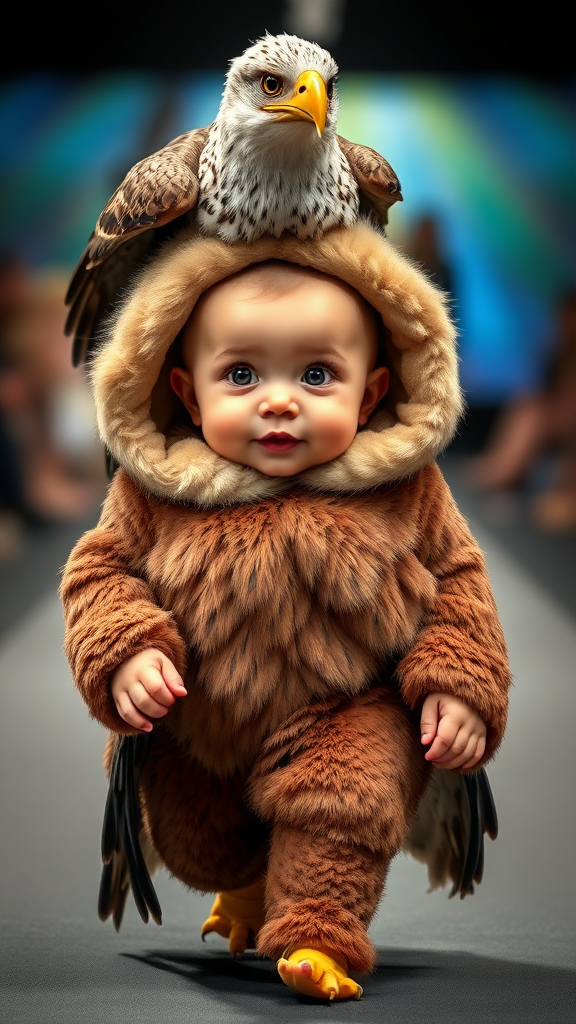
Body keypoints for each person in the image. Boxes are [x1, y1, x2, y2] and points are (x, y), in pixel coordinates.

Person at [60, 221, 511, 1001]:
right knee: (201, 839)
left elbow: (459, 581)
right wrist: (125, 649)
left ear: (370, 393)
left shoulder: (402, 487)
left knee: (346, 802)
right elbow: (98, 573)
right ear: (185, 394)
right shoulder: (156, 488)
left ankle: (317, 930)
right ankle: (244, 883)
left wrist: (461, 684)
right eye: (239, 375)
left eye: (316, 374)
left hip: (344, 714)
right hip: (201, 724)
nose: (278, 401)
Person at [465, 288, 576, 531]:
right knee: (528, 405)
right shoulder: (557, 357)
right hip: (552, 434)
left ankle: (565, 493)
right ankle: (502, 468)